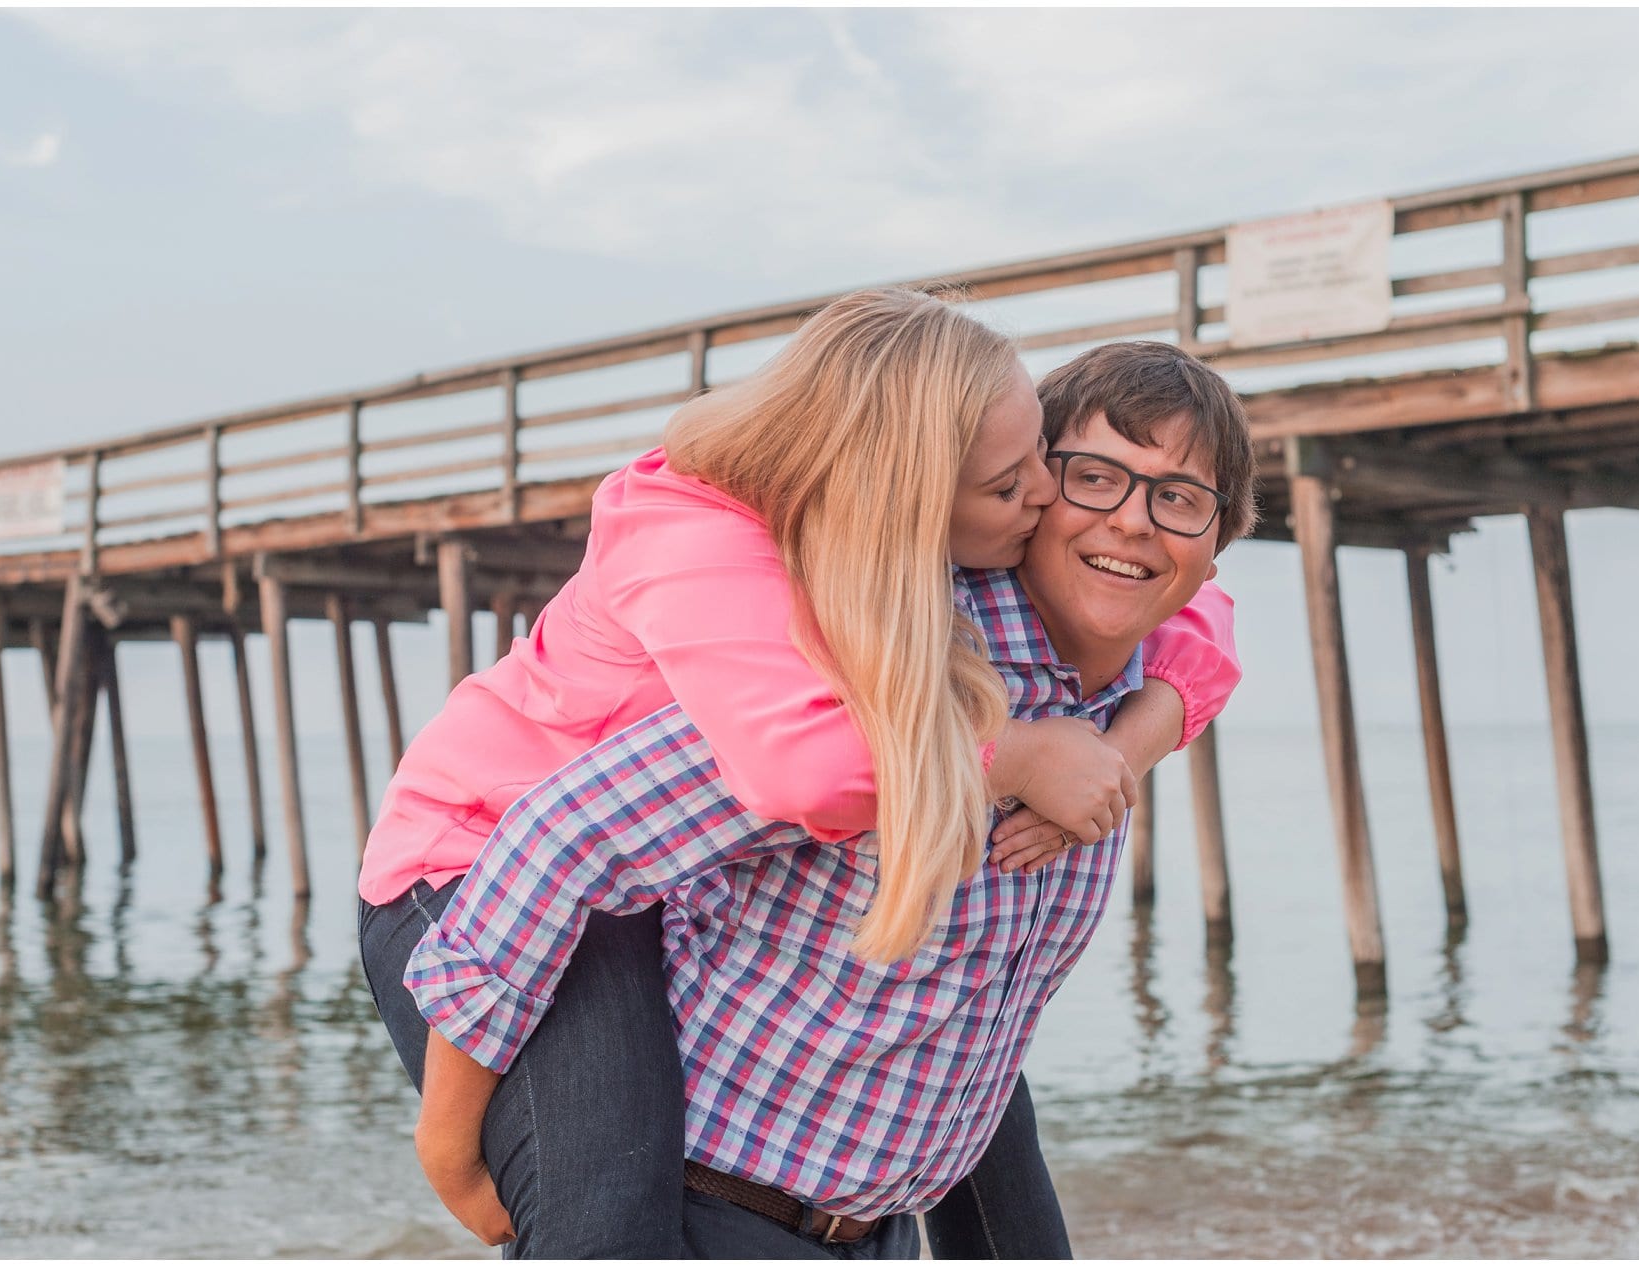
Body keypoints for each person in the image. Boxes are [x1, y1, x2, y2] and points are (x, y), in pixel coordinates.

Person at [358, 292, 1240, 1256]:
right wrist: (448, 1145)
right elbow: (569, 833)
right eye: (1089, 477)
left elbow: (1203, 631)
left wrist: (1124, 744)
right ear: (958, 487)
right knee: (598, 1221)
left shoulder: (1126, 680)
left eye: (1179, 499)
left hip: (870, 1223)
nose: (1132, 521)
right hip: (499, 897)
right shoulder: (863, 664)